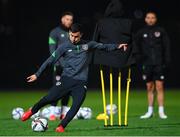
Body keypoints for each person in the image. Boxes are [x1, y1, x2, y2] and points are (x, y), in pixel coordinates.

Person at [21, 23, 128, 133]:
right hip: (66, 79)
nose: (73, 38)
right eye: (71, 35)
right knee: (49, 98)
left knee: (76, 105)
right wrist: (37, 74)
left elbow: (104, 46)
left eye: (76, 36)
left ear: (81, 35)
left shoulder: (88, 45)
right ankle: (31, 111)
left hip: (81, 83)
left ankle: (61, 126)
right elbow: (50, 61)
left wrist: (117, 46)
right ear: (69, 34)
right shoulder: (64, 47)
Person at [135, 12, 171, 119]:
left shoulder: (161, 31)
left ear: (156, 19)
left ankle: (161, 111)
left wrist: (167, 61)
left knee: (160, 87)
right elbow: (135, 45)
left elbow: (167, 46)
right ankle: (150, 111)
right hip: (147, 64)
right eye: (148, 18)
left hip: (159, 63)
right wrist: (139, 58)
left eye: (152, 18)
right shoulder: (141, 32)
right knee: (149, 87)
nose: (150, 19)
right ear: (145, 19)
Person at [48, 11, 73, 120]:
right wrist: (58, 63)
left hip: (70, 68)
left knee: (67, 90)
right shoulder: (54, 32)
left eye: (71, 20)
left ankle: (63, 113)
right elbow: (52, 51)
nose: (69, 21)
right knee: (57, 88)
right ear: (62, 19)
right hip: (58, 67)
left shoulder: (73, 33)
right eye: (67, 19)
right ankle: (52, 112)